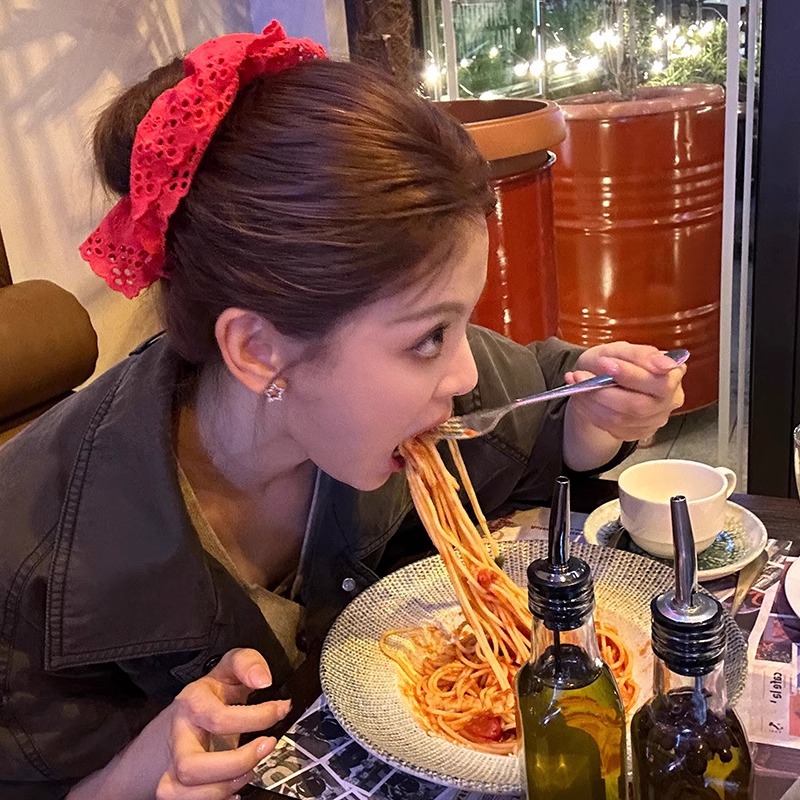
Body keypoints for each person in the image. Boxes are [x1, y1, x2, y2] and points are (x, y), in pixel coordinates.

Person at [0, 21, 685, 800]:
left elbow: (537, 406)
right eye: (429, 336)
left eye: (461, 321)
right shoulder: (31, 565)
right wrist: (132, 775)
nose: (462, 370)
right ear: (258, 350)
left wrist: (599, 416)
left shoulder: (359, 397)